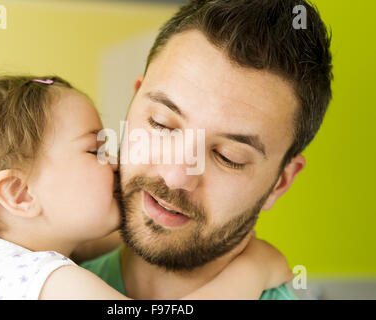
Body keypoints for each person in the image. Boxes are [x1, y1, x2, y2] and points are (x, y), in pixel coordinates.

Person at [0, 75, 291, 300]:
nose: (115, 161)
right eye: (94, 149)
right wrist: (252, 271)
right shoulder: (46, 279)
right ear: (19, 194)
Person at [81, 0, 333, 300]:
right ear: (135, 99)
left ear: (280, 182)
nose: (175, 177)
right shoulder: (37, 277)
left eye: (227, 156)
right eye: (161, 124)